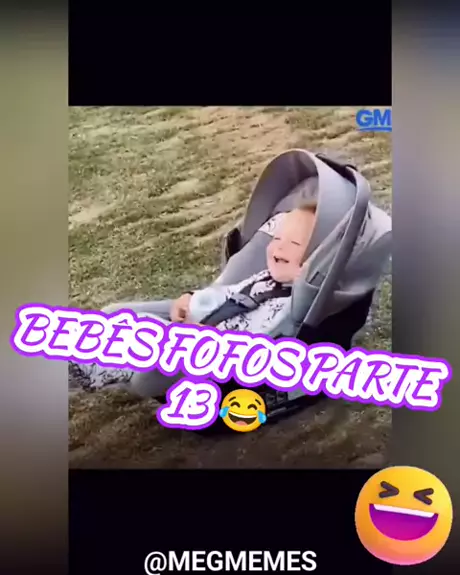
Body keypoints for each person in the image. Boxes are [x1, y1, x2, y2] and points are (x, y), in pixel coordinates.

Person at [69, 201, 317, 397]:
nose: (278, 248)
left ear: (316, 258)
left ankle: (80, 366)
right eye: (276, 239)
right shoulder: (265, 278)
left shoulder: (291, 305)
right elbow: (228, 295)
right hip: (200, 328)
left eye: (294, 243)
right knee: (115, 313)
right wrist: (191, 299)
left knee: (144, 333)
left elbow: (258, 341)